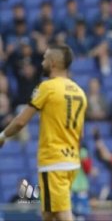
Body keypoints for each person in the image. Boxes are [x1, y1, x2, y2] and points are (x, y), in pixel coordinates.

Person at [0, 44, 88, 221]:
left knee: (63, 214)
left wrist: (2, 136)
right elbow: (81, 134)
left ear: (54, 63)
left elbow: (20, 121)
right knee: (48, 214)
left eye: (45, 58)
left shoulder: (47, 87)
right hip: (71, 161)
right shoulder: (80, 92)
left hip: (53, 161)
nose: (42, 62)